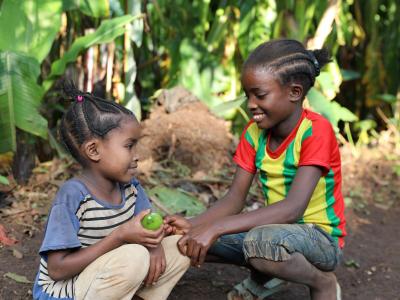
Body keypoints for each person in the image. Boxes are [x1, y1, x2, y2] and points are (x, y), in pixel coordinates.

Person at [165, 39, 346, 300]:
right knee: (189, 239)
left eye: (259, 95)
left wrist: (215, 227)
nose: (250, 104)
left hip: (320, 238)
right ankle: (266, 276)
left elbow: (293, 208)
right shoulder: (253, 133)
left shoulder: (315, 132)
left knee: (259, 241)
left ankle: (322, 283)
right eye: (247, 94)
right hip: (275, 232)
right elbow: (234, 199)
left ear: (294, 92)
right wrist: (193, 225)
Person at [33, 83, 189, 300]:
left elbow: (147, 231)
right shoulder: (72, 196)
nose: (137, 156)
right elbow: (57, 269)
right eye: (129, 146)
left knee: (181, 246)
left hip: (107, 273)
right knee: (135, 256)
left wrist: (156, 242)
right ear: (94, 150)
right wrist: (120, 236)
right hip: (65, 292)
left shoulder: (132, 188)